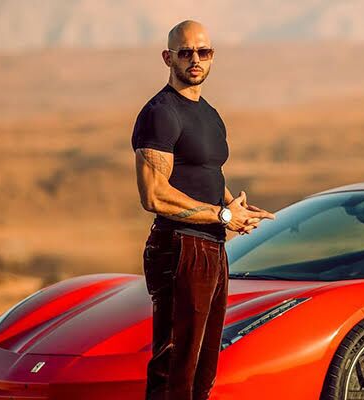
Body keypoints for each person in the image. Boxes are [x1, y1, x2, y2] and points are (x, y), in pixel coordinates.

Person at [131, 20, 275, 400]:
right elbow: (154, 195)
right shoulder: (161, 113)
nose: (195, 60)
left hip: (211, 247)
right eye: (186, 52)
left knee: (203, 369)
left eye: (204, 52)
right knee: (175, 369)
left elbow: (206, 172)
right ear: (168, 57)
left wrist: (232, 206)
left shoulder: (209, 113)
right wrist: (222, 216)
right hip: (180, 247)